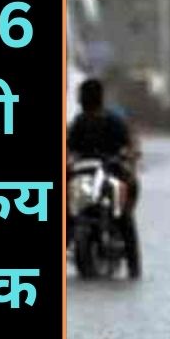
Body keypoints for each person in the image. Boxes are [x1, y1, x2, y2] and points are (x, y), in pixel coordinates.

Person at [67, 78, 141, 278]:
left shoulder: (112, 121)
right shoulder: (79, 122)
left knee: (123, 215)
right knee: (68, 213)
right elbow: (69, 148)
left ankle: (134, 266)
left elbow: (130, 146)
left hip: (110, 172)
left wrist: (128, 156)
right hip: (84, 174)